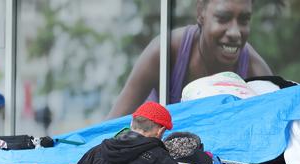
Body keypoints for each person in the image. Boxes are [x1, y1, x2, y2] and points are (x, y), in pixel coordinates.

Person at [107, 0, 272, 119]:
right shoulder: (165, 51)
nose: (235, 32)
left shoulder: (256, 71)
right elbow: (111, 125)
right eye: (223, 18)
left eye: (244, 20)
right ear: (201, 13)